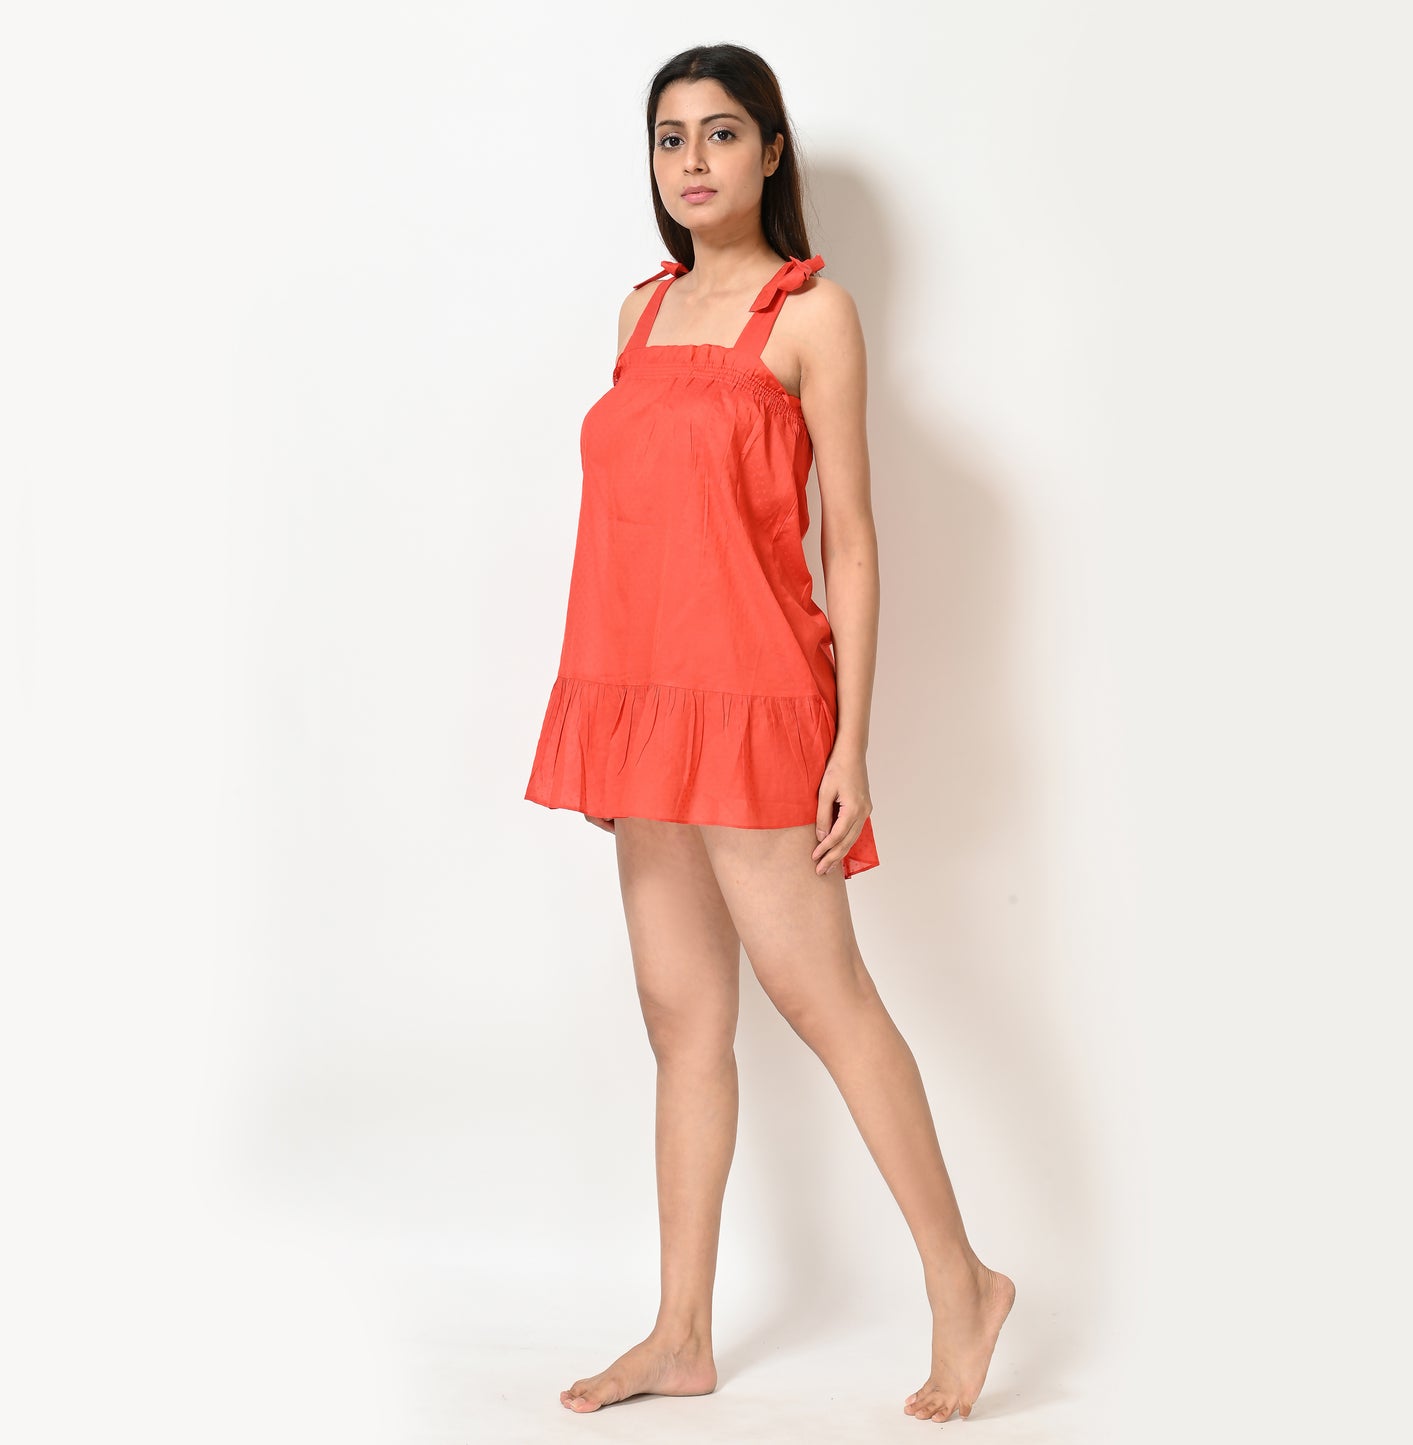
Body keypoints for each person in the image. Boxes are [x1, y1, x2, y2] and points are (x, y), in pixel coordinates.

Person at [524, 43, 1015, 1425]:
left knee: (825, 999)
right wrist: (611, 712)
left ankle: (964, 1283)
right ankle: (680, 1333)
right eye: (670, 136)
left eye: (722, 132)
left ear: (770, 151)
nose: (693, 160)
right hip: (640, 702)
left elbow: (848, 540)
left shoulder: (812, 314)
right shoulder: (637, 311)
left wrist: (850, 742)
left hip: (754, 703)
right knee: (682, 1019)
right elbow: (632, 529)